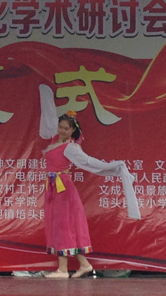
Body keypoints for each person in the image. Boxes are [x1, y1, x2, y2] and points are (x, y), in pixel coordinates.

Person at [38, 85, 140, 279]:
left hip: (63, 189)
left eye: (66, 128)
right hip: (53, 188)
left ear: (73, 130)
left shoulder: (70, 148)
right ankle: (84, 265)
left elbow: (91, 163)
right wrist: (45, 94)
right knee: (59, 225)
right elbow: (49, 117)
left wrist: (115, 166)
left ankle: (62, 270)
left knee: (62, 226)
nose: (62, 130)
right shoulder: (54, 139)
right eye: (60, 126)